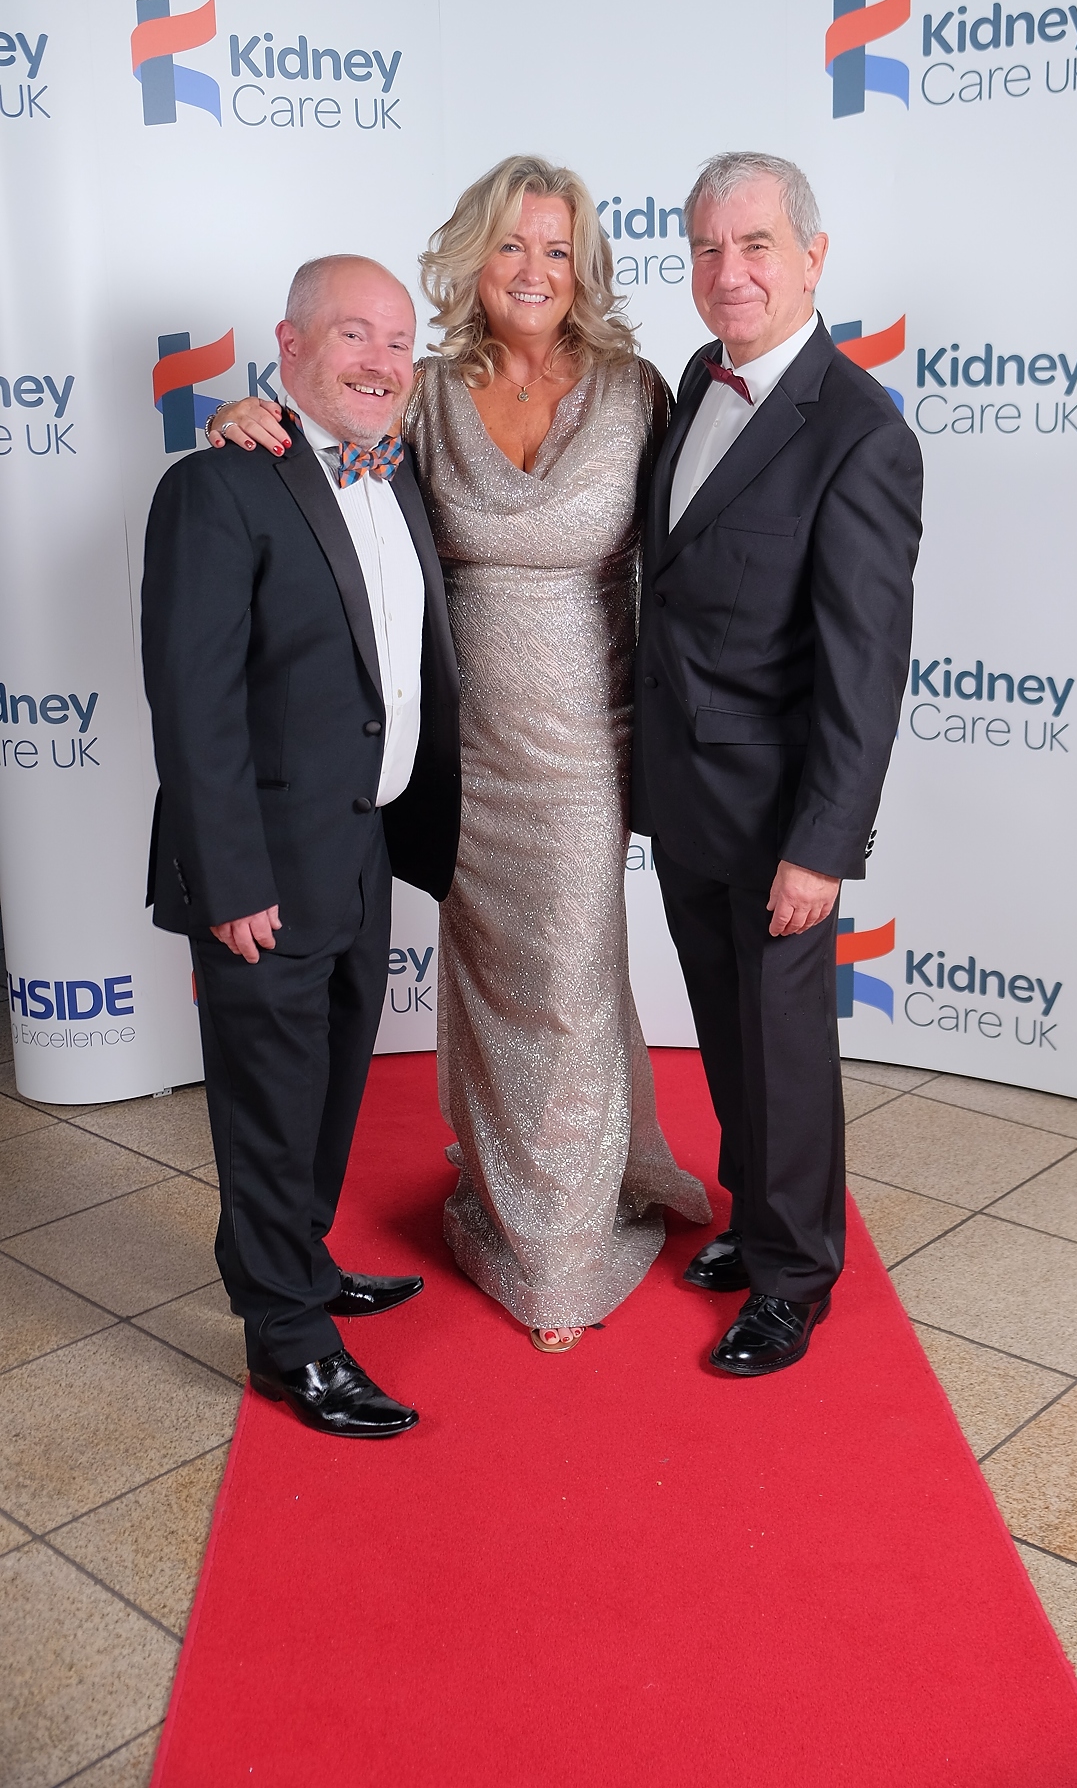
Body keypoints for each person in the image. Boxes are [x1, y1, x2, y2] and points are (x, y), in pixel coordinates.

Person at [209, 158, 710, 1353]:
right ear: (473, 261)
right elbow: (326, 487)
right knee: (489, 991)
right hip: (452, 747)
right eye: (510, 247)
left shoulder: (637, 391)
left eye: (556, 249)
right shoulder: (420, 395)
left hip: (590, 742)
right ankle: (509, 1196)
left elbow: (696, 552)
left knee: (575, 983)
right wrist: (239, 418)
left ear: (582, 266)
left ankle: (563, 1245)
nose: (533, 271)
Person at [141, 255, 461, 1435]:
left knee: (327, 1092)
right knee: (268, 1105)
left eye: (397, 341)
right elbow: (193, 700)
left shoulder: (401, 473)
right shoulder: (217, 487)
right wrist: (228, 879)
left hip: (365, 850)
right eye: (353, 336)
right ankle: (288, 1337)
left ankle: (303, 1264)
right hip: (263, 870)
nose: (380, 361)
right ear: (289, 344)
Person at [632, 153, 922, 1377]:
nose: (728, 271)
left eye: (754, 246)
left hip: (780, 823)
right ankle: (754, 1223)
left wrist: (822, 846)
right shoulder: (695, 382)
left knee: (787, 1050)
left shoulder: (859, 433)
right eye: (706, 248)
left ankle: (795, 1278)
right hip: (687, 797)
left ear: (811, 259)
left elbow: (864, 671)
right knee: (725, 1036)